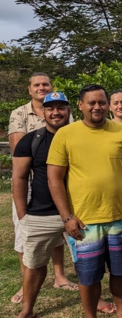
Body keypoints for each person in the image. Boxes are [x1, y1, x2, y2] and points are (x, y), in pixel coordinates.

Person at [47, 84, 122, 318]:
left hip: (120, 217)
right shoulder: (65, 134)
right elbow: (54, 177)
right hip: (84, 221)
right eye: (91, 103)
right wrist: (67, 217)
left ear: (108, 105)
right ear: (80, 105)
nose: (97, 107)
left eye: (101, 102)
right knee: (88, 276)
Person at [7, 73, 79, 304]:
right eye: (51, 109)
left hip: (77, 208)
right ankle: (27, 307)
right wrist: (22, 214)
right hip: (40, 208)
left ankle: (90, 296)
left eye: (61, 108)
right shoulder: (31, 137)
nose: (56, 112)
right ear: (44, 112)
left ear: (69, 112)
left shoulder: (78, 136)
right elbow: (18, 176)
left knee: (86, 261)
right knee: (33, 262)